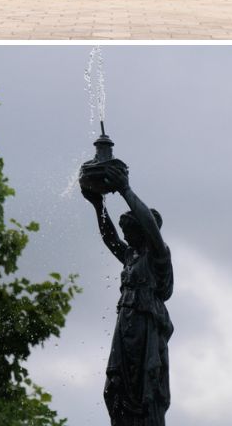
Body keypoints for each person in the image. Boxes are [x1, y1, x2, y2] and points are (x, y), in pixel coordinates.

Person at [83, 165, 173, 426]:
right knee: (116, 388)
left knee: (146, 387)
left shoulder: (158, 255)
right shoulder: (130, 256)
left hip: (146, 328)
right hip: (126, 324)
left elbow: (150, 228)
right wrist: (97, 205)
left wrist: (125, 189)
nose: (124, 236)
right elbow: (109, 237)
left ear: (143, 230)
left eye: (129, 230)